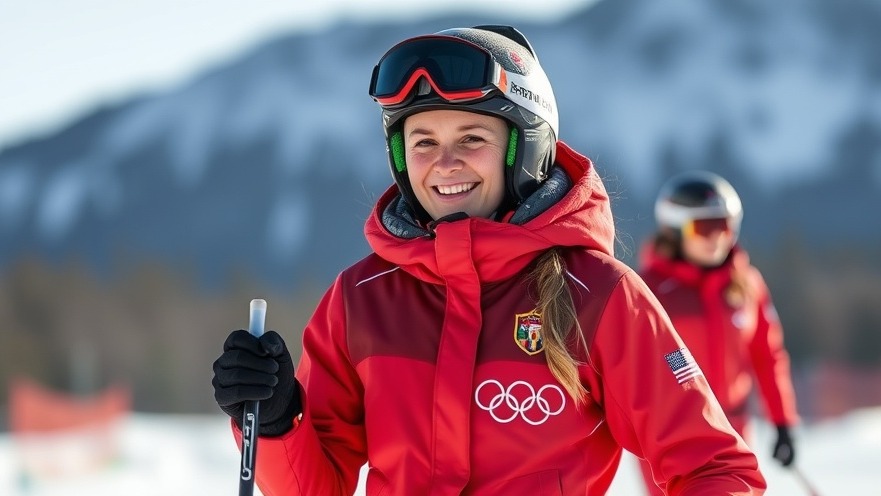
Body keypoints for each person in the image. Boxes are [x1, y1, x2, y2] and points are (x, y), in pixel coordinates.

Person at [211, 25, 767, 495]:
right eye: (423, 141)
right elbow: (315, 483)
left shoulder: (597, 294)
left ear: (524, 149)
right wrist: (279, 419)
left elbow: (714, 467)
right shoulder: (361, 298)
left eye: (472, 137)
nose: (444, 163)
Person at [634, 170, 800, 495]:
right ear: (674, 229)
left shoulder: (747, 284)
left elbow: (768, 357)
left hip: (735, 430)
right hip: (672, 436)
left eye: (725, 225)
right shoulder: (647, 290)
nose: (717, 238)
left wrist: (783, 423)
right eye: (704, 227)